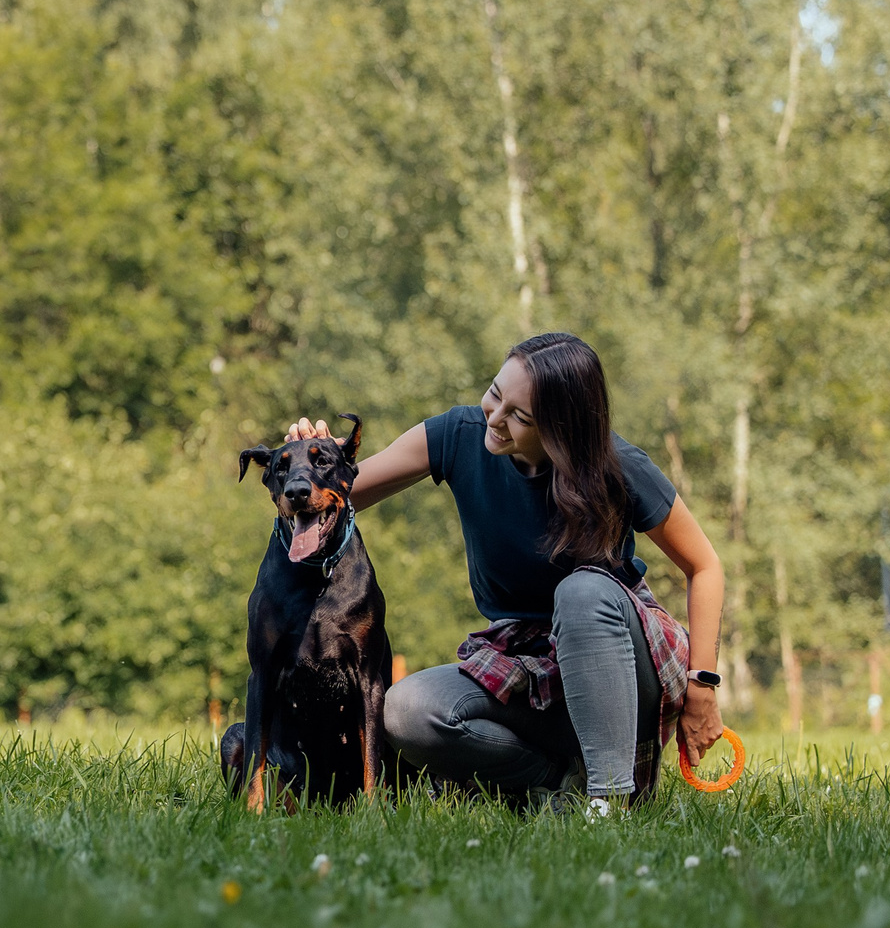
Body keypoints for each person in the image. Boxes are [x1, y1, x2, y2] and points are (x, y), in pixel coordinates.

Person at [298, 331, 725, 813]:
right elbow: (342, 496)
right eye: (495, 395)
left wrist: (703, 687)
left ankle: (610, 802)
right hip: (524, 667)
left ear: (561, 429)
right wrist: (314, 467)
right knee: (406, 710)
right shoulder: (457, 435)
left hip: (617, 671)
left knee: (583, 592)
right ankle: (558, 787)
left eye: (520, 417)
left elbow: (705, 566)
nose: (495, 419)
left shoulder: (615, 465)